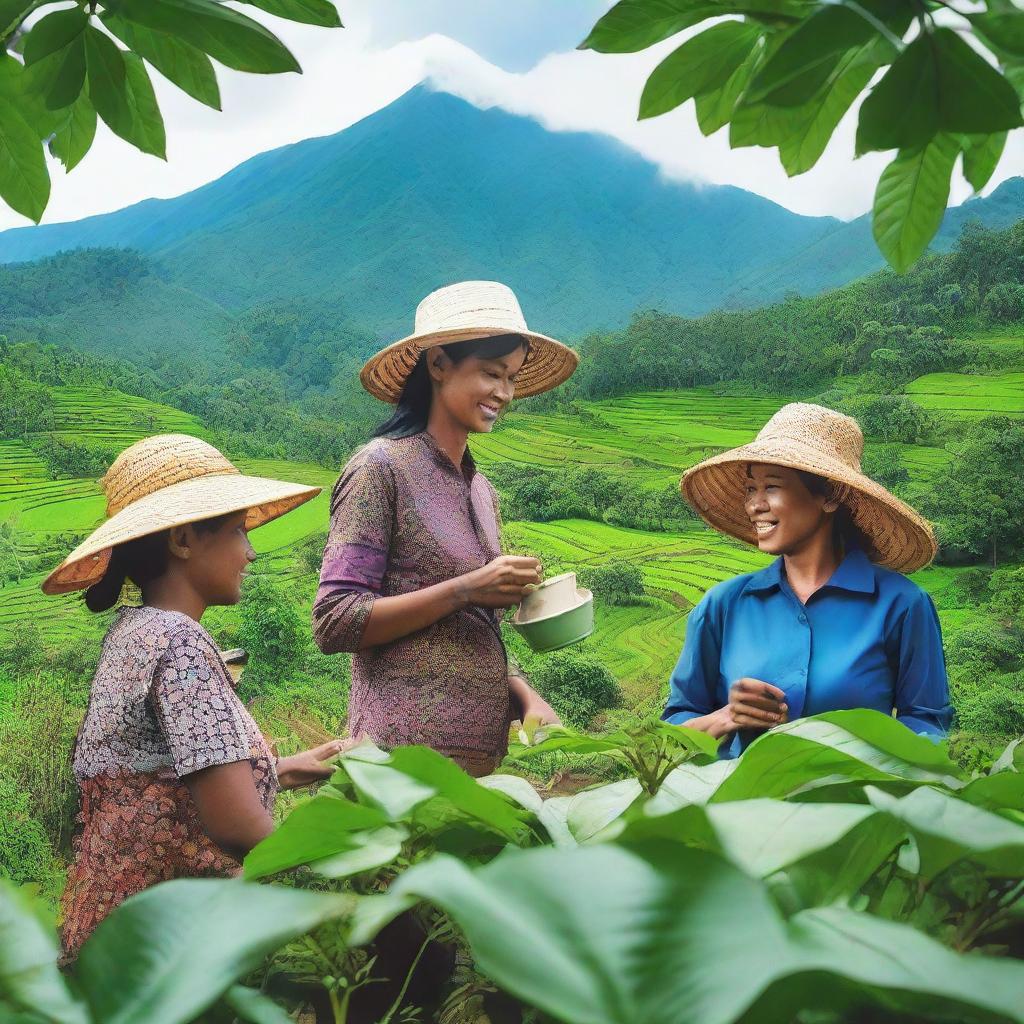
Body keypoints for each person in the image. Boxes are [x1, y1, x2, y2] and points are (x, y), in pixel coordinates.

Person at [42, 434, 346, 960]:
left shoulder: (132, 633)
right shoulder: (181, 644)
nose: (249, 552)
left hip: (115, 935)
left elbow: (161, 772)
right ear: (183, 540)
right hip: (168, 948)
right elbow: (236, 827)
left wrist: (286, 768)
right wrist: (343, 872)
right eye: (237, 531)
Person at [313, 280, 579, 776]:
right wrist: (466, 589)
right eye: (490, 373)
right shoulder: (380, 469)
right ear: (437, 365)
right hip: (400, 765)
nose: (504, 392)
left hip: (478, 764)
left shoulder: (482, 491)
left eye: (513, 378)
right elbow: (335, 621)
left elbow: (470, 630)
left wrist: (525, 696)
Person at [662, 402, 952, 758]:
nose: (755, 504)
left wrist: (846, 758)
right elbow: (673, 729)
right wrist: (727, 717)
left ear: (829, 496)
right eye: (750, 489)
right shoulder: (723, 606)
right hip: (737, 808)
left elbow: (928, 727)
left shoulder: (902, 605)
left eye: (771, 486)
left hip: (855, 808)